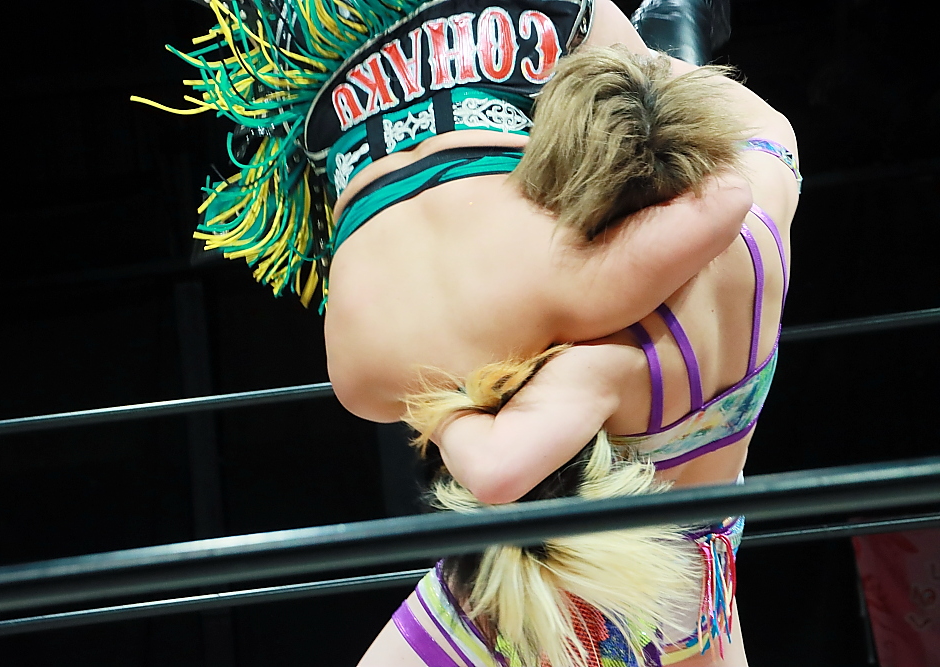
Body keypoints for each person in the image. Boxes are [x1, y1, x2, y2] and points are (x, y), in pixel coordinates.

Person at [359, 34, 799, 667]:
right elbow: (770, 127)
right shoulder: (761, 222)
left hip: (583, 611)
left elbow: (497, 472)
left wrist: (437, 396)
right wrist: (650, 66)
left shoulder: (603, 360)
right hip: (700, 586)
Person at [135, 0, 750, 426]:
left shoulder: (575, 296)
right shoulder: (555, 300)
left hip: (427, 331)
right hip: (362, 359)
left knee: (682, 120)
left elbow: (719, 189)